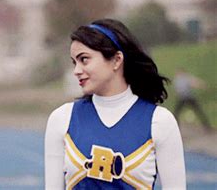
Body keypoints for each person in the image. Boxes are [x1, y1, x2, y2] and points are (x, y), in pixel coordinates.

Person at [45, 19, 186, 189]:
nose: (77, 71)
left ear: (117, 60)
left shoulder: (160, 121)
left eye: (84, 59)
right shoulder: (62, 118)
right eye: (74, 62)